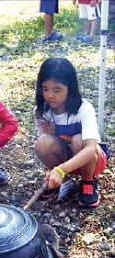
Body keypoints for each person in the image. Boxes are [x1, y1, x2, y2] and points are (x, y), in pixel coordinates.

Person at [34, 58, 108, 208]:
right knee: (42, 142)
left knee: (78, 139)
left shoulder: (83, 108)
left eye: (57, 90)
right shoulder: (42, 111)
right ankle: (60, 179)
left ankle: (88, 181)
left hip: (92, 160)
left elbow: (90, 148)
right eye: (45, 89)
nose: (50, 95)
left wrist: (61, 169)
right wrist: (58, 170)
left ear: (70, 88)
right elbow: (46, 144)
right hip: (66, 158)